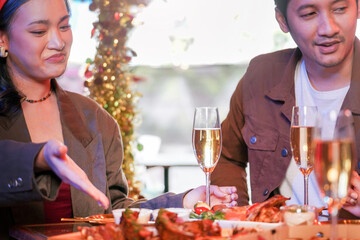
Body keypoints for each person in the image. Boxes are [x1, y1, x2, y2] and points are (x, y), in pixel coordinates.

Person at [0, 0, 238, 237]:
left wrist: (184, 201)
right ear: (3, 39)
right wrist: (38, 159)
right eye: (39, 31)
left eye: (64, 26)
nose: (58, 42)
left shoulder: (94, 119)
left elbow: (113, 212)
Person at [211, 0, 360, 218]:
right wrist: (239, 217)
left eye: (339, 9)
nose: (328, 29)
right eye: (309, 13)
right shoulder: (261, 76)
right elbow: (227, 157)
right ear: (283, 21)